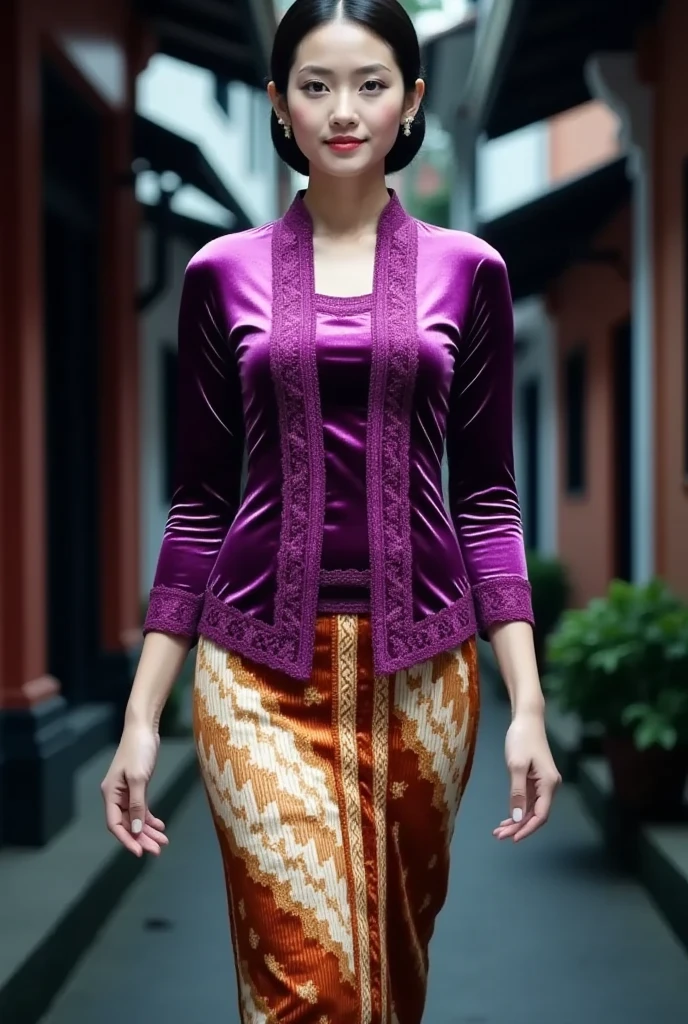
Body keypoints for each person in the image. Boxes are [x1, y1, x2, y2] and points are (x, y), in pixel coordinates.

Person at [101, 0, 561, 1018]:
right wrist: (141, 715)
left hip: (426, 678)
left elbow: (485, 499)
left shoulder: (468, 272)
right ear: (277, 103)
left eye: (369, 84)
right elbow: (199, 506)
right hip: (254, 677)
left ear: (411, 103)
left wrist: (528, 703)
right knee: (309, 986)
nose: (342, 110)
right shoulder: (218, 274)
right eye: (314, 85)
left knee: (389, 981)